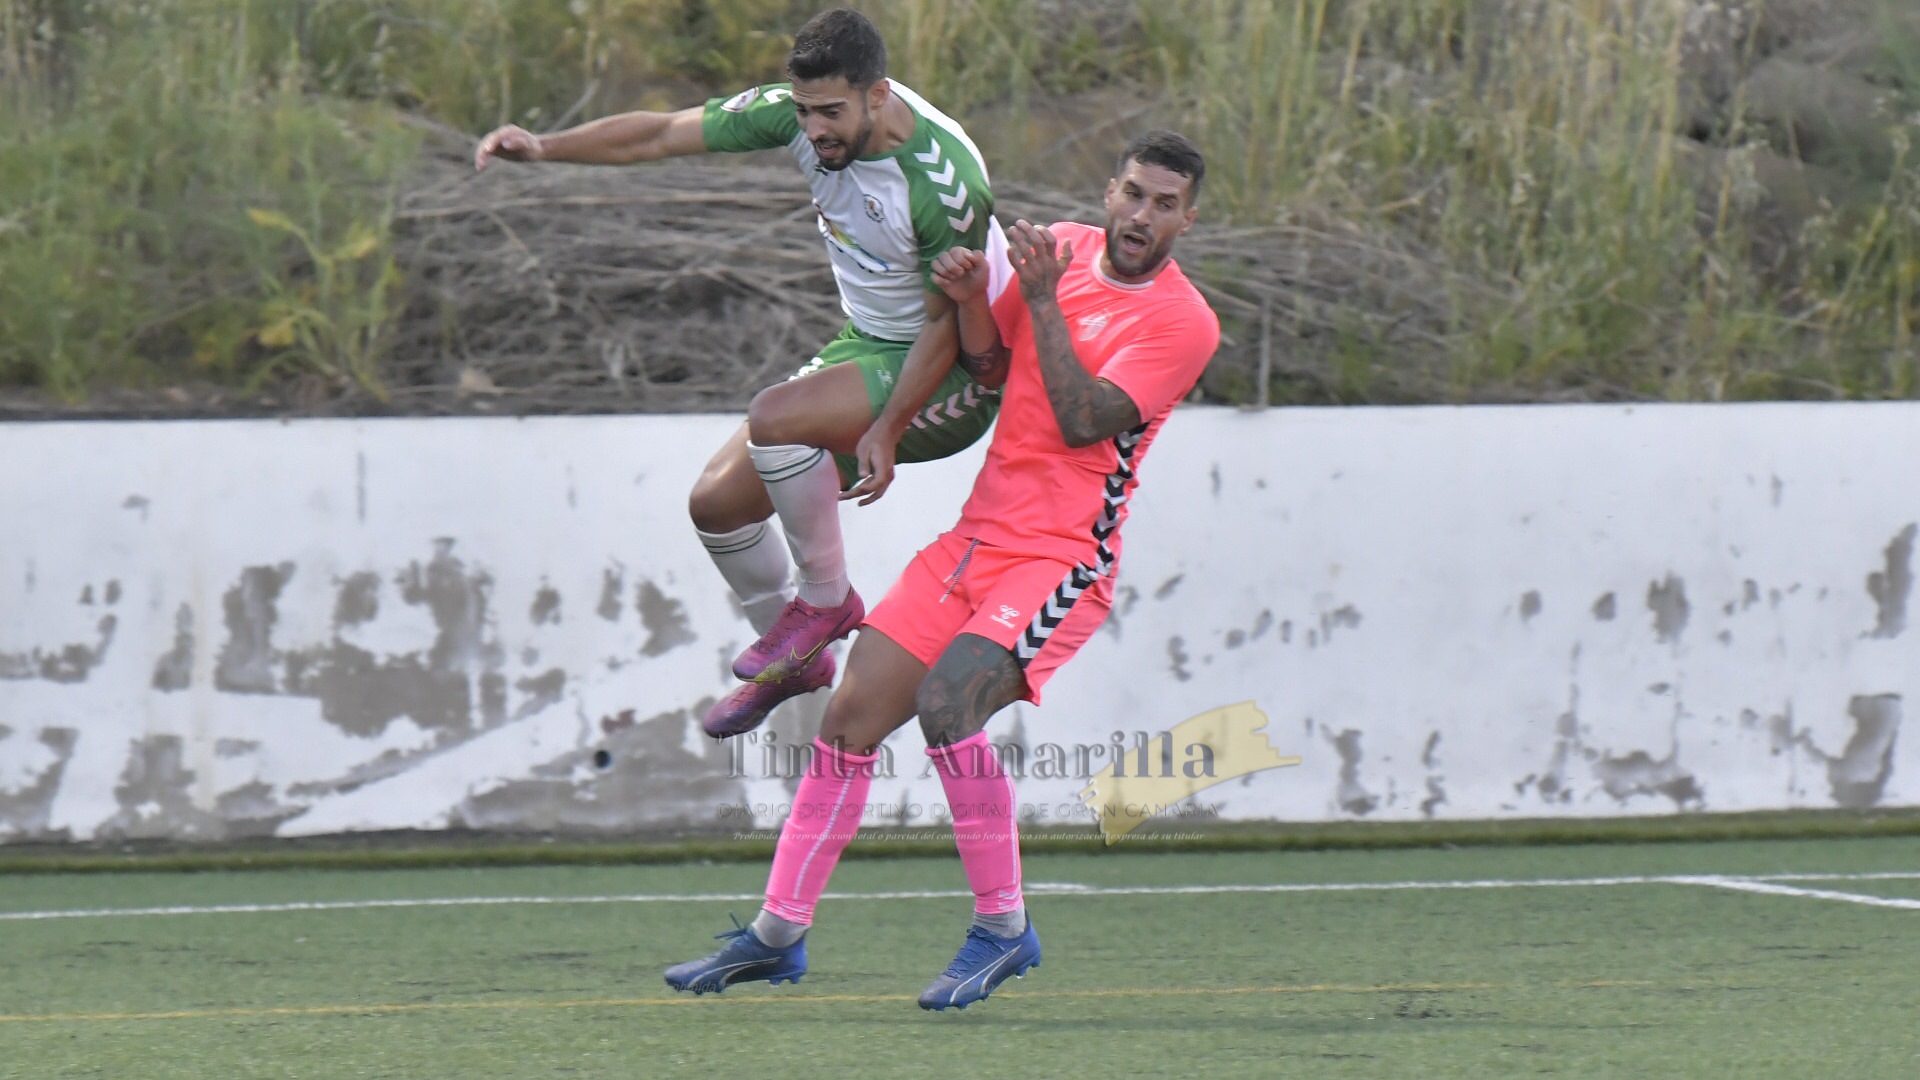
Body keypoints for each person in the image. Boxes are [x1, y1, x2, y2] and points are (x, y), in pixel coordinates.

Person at [663, 131, 1220, 1010]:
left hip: (1062, 557)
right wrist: (965, 303)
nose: (1142, 215)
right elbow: (989, 363)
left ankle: (1003, 929)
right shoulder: (1059, 248)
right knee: (847, 719)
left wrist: (1041, 300)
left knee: (948, 702)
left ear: (1188, 218)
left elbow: (1083, 419)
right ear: (1110, 192)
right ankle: (775, 936)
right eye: (1133, 194)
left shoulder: (1183, 321)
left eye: (1164, 204)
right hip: (976, 538)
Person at [474, 9, 1006, 738]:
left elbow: (948, 326)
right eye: (804, 112)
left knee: (774, 417)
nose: (813, 131)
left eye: (831, 113)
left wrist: (888, 427)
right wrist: (545, 148)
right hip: (871, 345)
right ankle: (797, 663)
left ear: (878, 95)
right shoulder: (799, 117)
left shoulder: (943, 182)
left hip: (949, 377)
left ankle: (826, 604)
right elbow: (661, 133)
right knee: (716, 505)